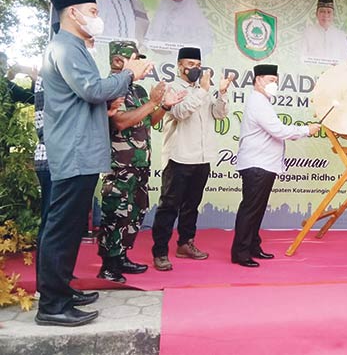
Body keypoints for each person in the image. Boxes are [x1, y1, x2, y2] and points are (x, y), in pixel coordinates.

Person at [36, 0, 151, 327]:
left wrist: (107, 100)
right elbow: (91, 89)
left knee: (71, 227)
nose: (97, 18)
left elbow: (88, 97)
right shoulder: (66, 47)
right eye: (93, 11)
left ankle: (61, 288)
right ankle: (52, 305)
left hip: (81, 149)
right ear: (73, 13)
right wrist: (129, 75)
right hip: (73, 150)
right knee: (62, 227)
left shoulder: (72, 47)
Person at [97, 41, 186, 283]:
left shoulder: (137, 90)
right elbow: (121, 122)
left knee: (135, 212)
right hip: (120, 165)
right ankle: (108, 264)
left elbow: (150, 122)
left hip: (140, 163)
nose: (141, 63)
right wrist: (151, 103)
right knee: (116, 213)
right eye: (135, 58)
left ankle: (122, 256)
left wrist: (165, 105)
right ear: (118, 61)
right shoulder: (110, 87)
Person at [151, 47, 234, 271]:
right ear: (179, 66)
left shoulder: (203, 90)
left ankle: (185, 243)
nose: (195, 69)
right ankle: (160, 252)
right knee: (169, 206)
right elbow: (180, 113)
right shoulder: (172, 88)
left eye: (198, 65)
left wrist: (222, 93)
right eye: (190, 64)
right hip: (179, 156)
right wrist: (203, 91)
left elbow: (219, 114)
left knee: (192, 205)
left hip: (202, 156)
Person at [231, 64, 320, 267]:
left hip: (264, 164)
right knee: (251, 209)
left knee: (257, 209)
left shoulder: (263, 101)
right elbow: (278, 130)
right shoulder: (258, 102)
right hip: (257, 164)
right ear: (258, 80)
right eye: (271, 81)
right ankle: (241, 252)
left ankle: (253, 246)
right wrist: (306, 130)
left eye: (276, 82)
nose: (274, 85)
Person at [145, 0, 214, 54]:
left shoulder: (195, 17)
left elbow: (207, 45)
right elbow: (149, 39)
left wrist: (177, 51)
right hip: (160, 60)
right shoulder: (161, 13)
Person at [301, 0, 347, 65]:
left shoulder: (340, 35)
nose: (325, 15)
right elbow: (301, 56)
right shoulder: (308, 32)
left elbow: (345, 58)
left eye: (329, 12)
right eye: (322, 11)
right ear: (316, 14)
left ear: (333, 15)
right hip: (312, 72)